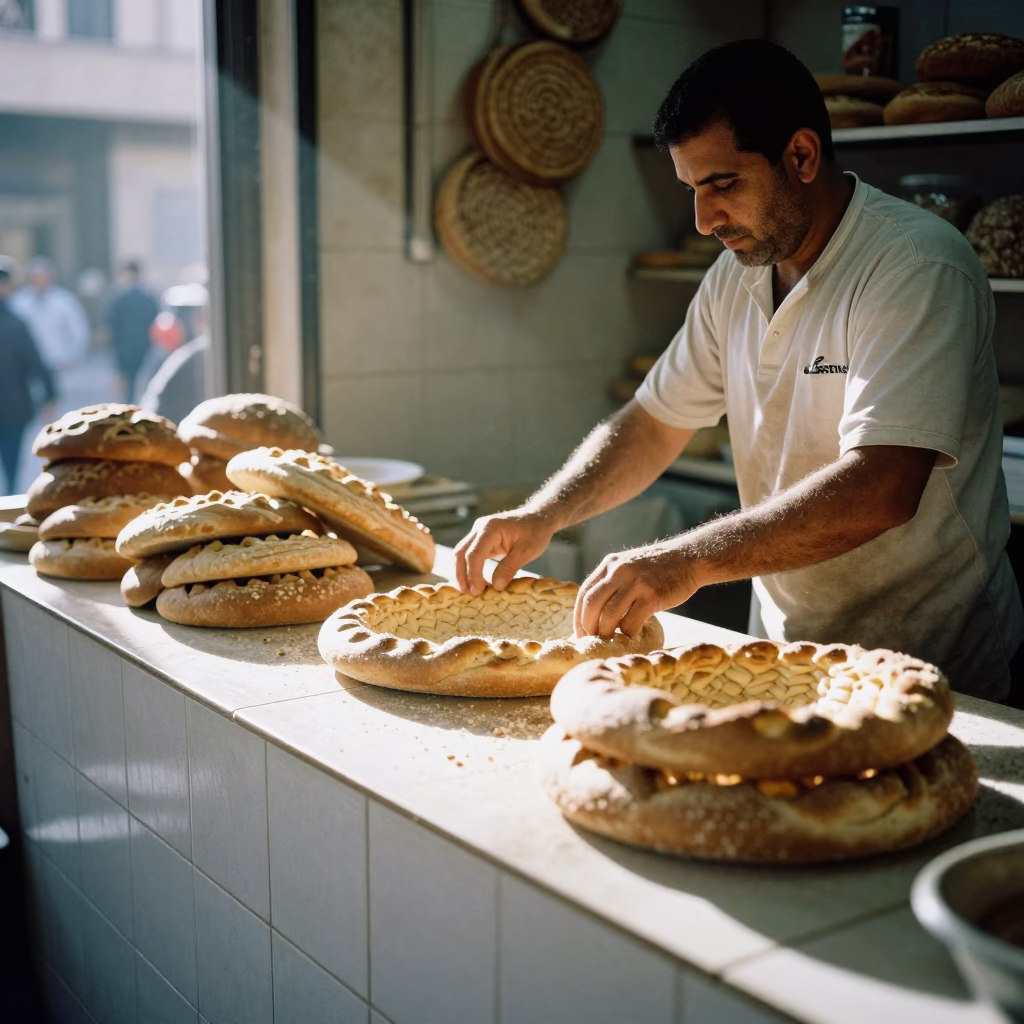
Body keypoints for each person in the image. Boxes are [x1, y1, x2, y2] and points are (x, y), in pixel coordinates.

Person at [454, 39, 1023, 704]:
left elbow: (883, 486)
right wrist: (544, 514)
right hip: (789, 655)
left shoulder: (915, 267)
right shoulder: (737, 277)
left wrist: (686, 560)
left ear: (802, 156)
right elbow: (653, 423)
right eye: (693, 189)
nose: (703, 220)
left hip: (936, 659)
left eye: (723, 184)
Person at [0, 259, 56, 495]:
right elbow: (35, 363)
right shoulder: (16, 323)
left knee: (12, 462)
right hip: (14, 405)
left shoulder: (17, 322)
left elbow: (34, 362)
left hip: (14, 405)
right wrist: (50, 395)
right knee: (11, 464)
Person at [10, 257, 90, 377]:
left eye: (43, 276)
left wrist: (74, 356)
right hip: (28, 365)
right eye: (36, 277)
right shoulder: (19, 302)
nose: (39, 280)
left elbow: (78, 330)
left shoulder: (64, 301)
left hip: (59, 363)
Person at [106, 259, 158, 402]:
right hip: (145, 348)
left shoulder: (120, 299)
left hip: (126, 351)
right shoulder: (148, 298)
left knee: (129, 390)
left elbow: (113, 328)